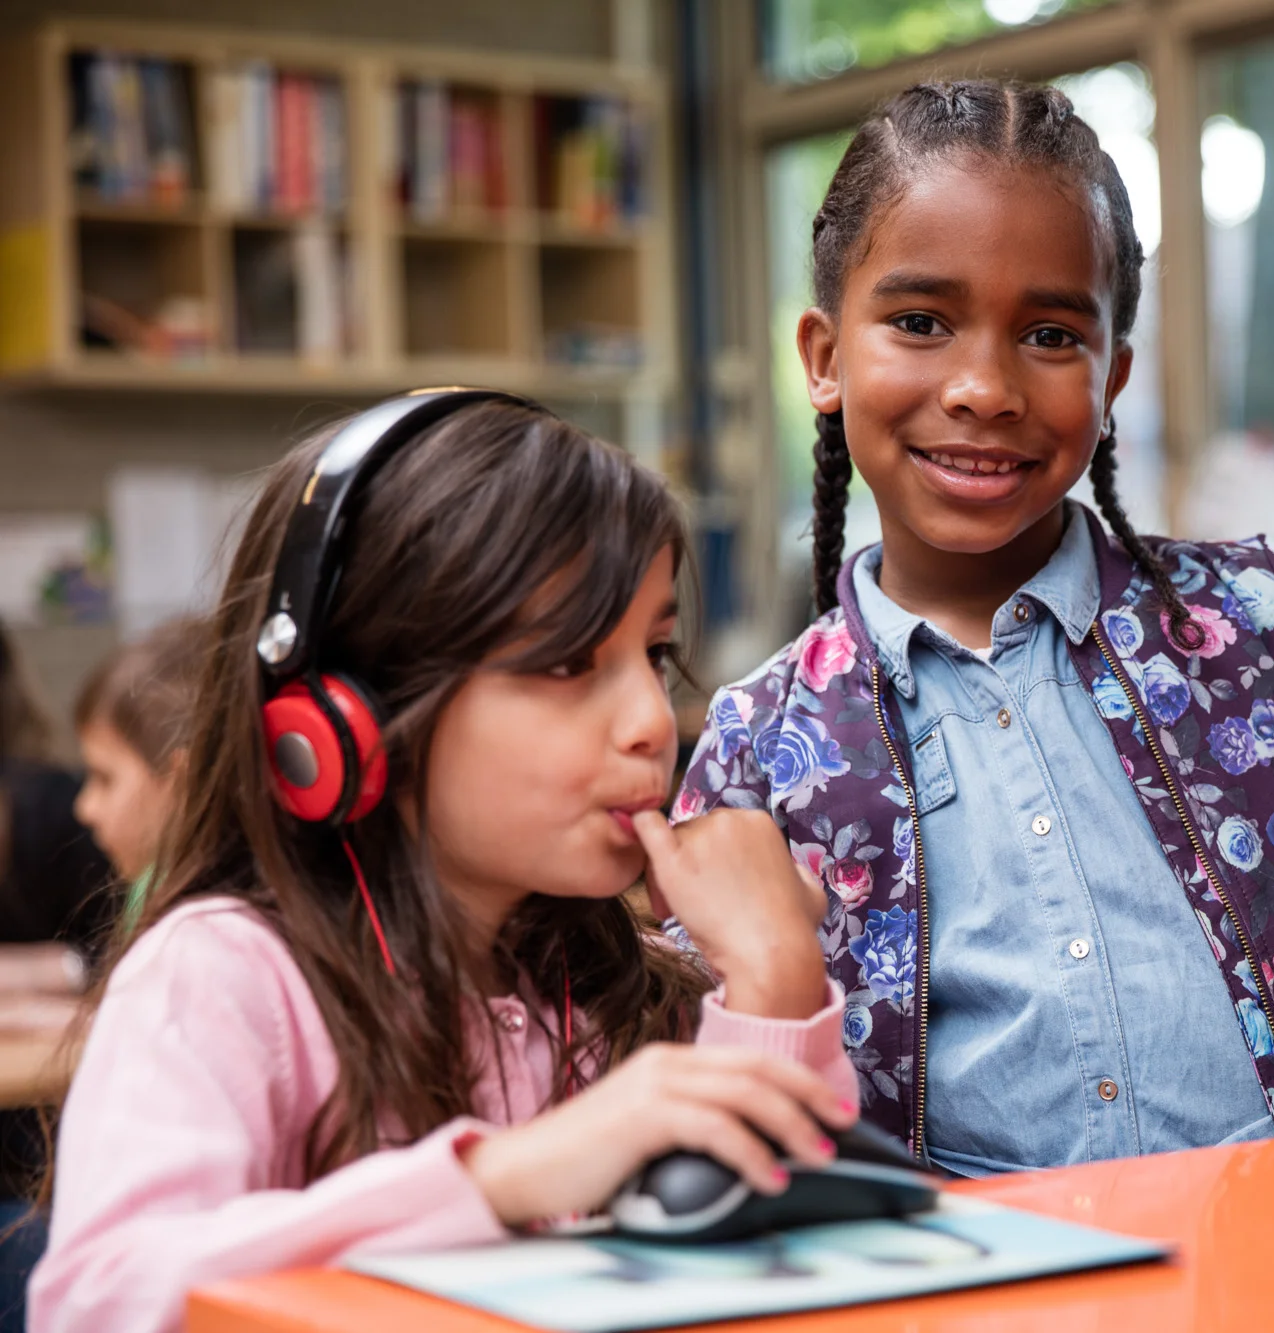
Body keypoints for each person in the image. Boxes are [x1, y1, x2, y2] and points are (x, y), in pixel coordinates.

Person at [672, 79, 1274, 1179]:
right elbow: (713, 1075)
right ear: (822, 357)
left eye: (1049, 334)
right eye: (920, 322)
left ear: (1112, 380)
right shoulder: (759, 750)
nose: (984, 387)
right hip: (971, 1268)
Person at [29, 397, 860, 1333]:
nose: (651, 722)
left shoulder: (617, 987)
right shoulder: (223, 976)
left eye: (655, 653)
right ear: (344, 715)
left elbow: (805, 1277)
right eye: (568, 664)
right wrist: (498, 1179)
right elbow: (100, 1300)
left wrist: (774, 977)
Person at [0, 626, 111, 1333]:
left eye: (112, 779)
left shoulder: (48, 805)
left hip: (37, 1167)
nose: (94, 805)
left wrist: (40, 972)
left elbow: (109, 957)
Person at [71, 617, 206, 933]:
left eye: (105, 778)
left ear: (182, 783)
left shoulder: (183, 920)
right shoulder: (150, 888)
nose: (84, 808)